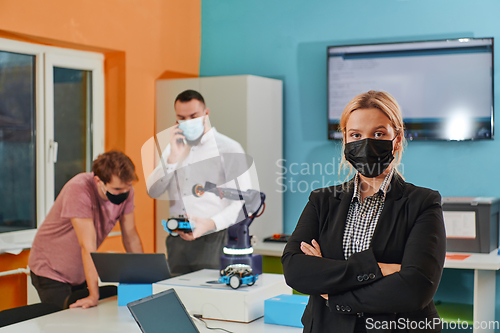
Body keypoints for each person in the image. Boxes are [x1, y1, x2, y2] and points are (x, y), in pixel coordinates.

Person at [281, 91, 446, 333]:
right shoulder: (322, 200)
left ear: (397, 139)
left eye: (378, 134)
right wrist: (377, 268)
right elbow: (296, 270)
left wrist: (333, 293)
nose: (366, 143)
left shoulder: (423, 202)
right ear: (345, 141)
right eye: (355, 135)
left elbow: (415, 288)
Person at [146, 89, 252, 276]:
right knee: (177, 295)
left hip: (213, 238)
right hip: (178, 239)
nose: (188, 122)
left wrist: (210, 224)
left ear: (206, 113)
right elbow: (153, 191)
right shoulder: (173, 148)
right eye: (181, 117)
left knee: (210, 300)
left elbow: (243, 202)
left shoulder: (229, 148)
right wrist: (172, 158)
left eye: (193, 116)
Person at [29, 151, 143, 309]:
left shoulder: (125, 190)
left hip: (79, 271)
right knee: (64, 324)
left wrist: (144, 278)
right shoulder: (79, 189)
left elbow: (131, 237)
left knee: (84, 321)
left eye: (127, 187)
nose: (123, 193)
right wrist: (93, 295)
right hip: (51, 269)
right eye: (117, 189)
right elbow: (88, 245)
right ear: (98, 181)